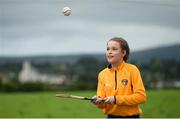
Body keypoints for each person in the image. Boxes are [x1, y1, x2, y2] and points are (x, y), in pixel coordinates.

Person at [92, 37, 147, 118]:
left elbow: (141, 97)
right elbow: (103, 105)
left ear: (123, 53)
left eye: (114, 49)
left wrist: (116, 99)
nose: (109, 52)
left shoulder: (132, 70)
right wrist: (98, 101)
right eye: (108, 49)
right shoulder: (102, 74)